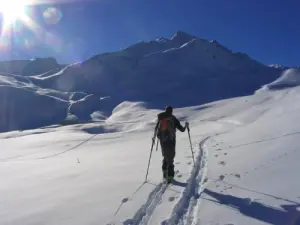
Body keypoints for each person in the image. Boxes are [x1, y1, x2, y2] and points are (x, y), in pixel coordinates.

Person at [155, 106, 189, 183]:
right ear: (172, 111)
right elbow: (182, 130)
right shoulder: (173, 118)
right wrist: (186, 126)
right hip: (171, 141)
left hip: (163, 142)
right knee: (170, 159)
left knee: (165, 156)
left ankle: (164, 174)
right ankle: (170, 178)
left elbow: (157, 133)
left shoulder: (161, 118)